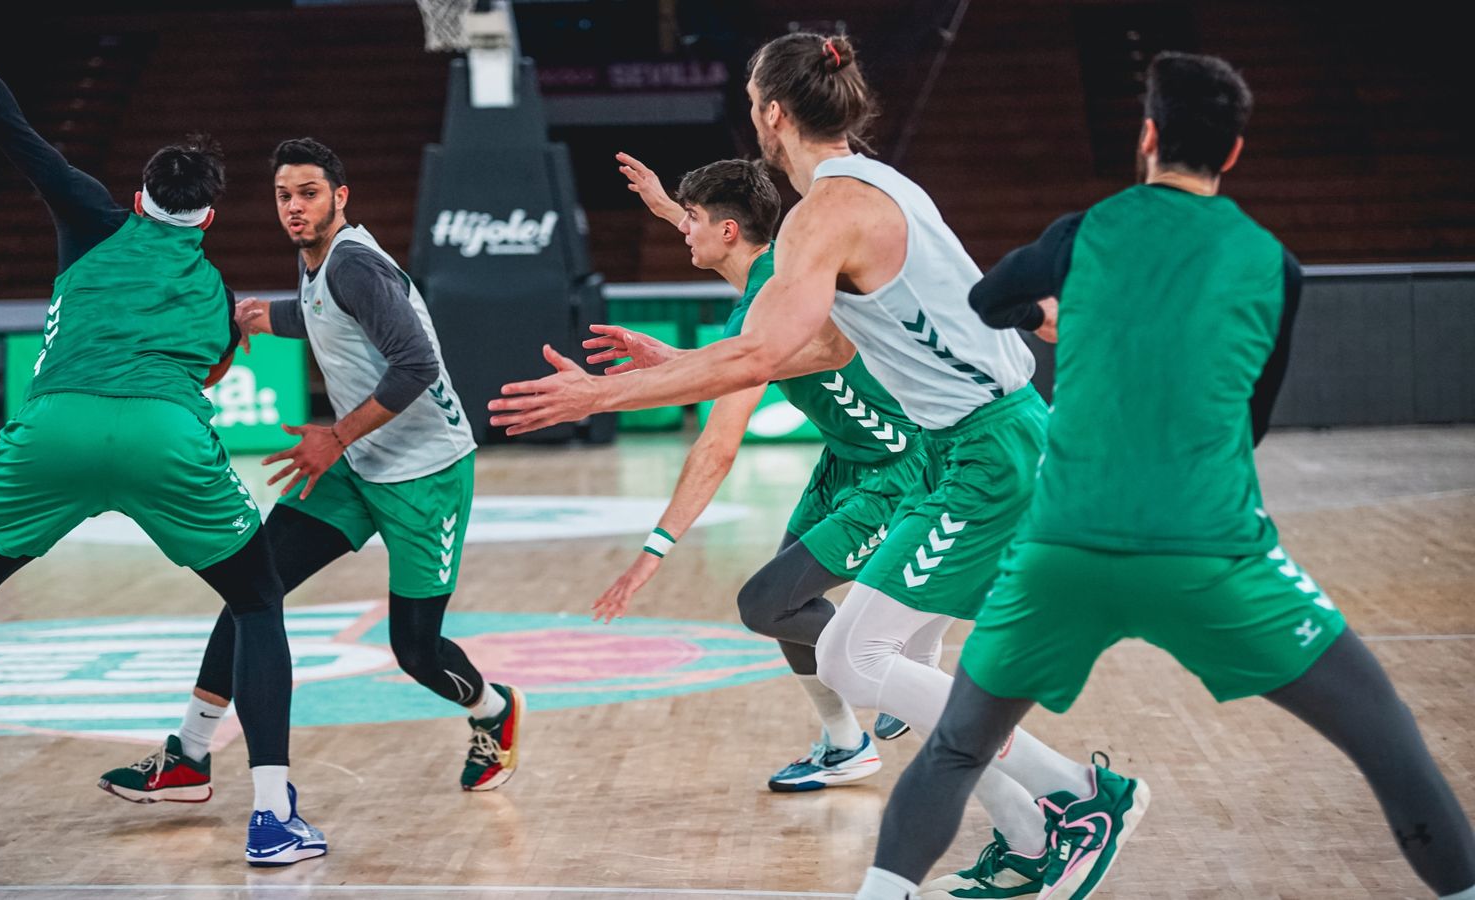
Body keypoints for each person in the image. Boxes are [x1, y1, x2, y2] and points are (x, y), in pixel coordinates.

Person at [489, 32, 1131, 898]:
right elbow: (824, 343)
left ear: (773, 114)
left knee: (854, 659)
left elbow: (760, 353)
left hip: (985, 453)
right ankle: (1026, 831)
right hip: (963, 450)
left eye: (752, 101)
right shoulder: (864, 187)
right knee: (885, 663)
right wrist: (671, 366)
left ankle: (1081, 797)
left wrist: (597, 398)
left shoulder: (826, 215)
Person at [854, 52, 1475, 900]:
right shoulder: (1274, 264)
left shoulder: (1086, 232)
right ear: (1235, 153)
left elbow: (990, 299)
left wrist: (1050, 315)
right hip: (1213, 553)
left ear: (1147, 137)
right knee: (1388, 740)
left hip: (1062, 555)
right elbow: (1250, 422)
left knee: (958, 748)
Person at [0, 0, 324, 867]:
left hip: (56, 428)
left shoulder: (89, 217)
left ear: (136, 199)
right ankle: (273, 817)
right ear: (209, 220)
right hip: (167, 438)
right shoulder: (215, 292)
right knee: (257, 601)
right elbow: (209, 374)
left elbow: (3, 121)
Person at [94, 138, 524, 801]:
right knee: (250, 587)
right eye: (284, 196)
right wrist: (266, 318)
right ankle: (190, 753)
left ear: (340, 198)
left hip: (424, 475)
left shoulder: (355, 265)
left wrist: (334, 436)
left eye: (309, 194)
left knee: (415, 650)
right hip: (357, 463)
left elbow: (417, 366)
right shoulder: (318, 263)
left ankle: (494, 711)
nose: (294, 208)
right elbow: (329, 317)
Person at [589, 154, 940, 790]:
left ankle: (904, 672)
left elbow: (717, 447)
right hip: (847, 460)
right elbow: (732, 262)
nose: (684, 231)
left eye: (691, 221)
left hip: (900, 467)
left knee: (767, 604)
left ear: (725, 231)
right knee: (783, 603)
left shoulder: (770, 293)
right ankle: (845, 744)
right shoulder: (768, 269)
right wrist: (670, 207)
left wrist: (652, 552)